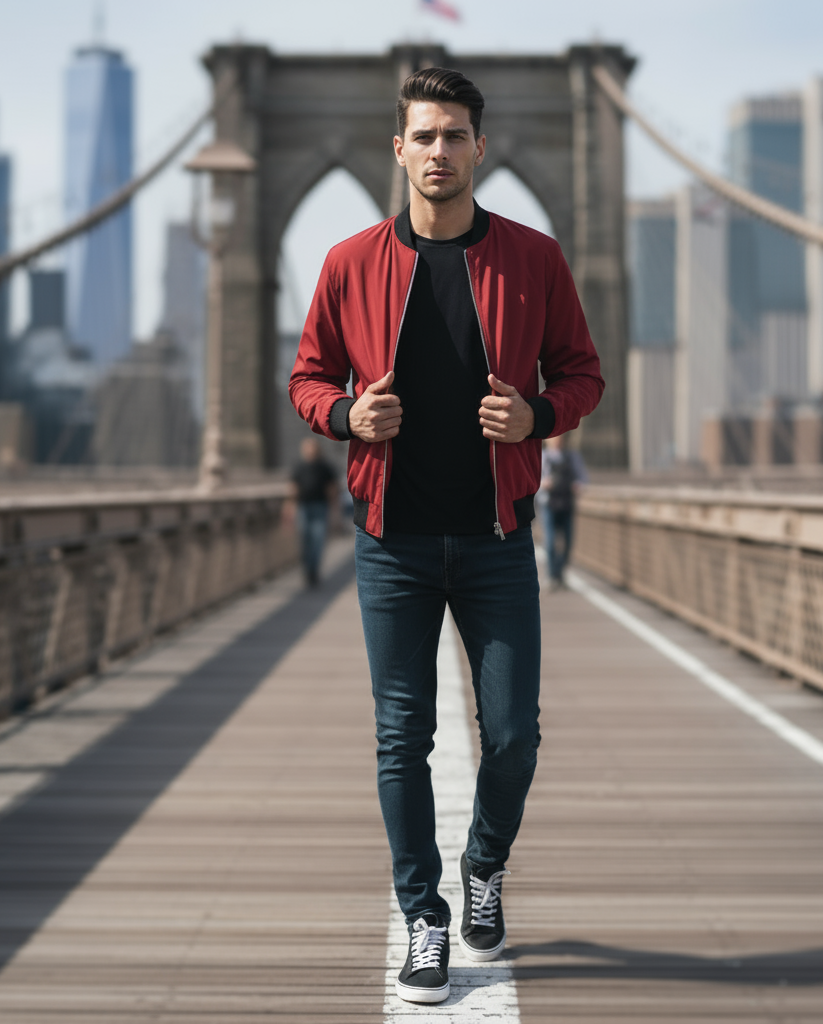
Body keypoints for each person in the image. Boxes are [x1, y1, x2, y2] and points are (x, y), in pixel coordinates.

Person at [289, 67, 604, 1004]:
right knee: (402, 736)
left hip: (499, 535)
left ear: (479, 147)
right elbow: (307, 379)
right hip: (392, 540)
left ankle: (484, 864)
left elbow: (583, 372)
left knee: (512, 738)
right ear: (400, 149)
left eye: (454, 135)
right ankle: (426, 920)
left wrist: (540, 415)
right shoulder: (349, 263)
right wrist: (348, 417)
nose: (438, 151)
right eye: (422, 136)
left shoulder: (534, 259)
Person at [538, 433, 588, 587]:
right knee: (551, 542)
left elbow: (583, 478)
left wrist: (578, 485)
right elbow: (533, 481)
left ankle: (560, 572)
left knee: (568, 542)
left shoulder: (572, 456)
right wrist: (543, 484)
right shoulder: (543, 457)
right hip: (549, 504)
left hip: (567, 503)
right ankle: (553, 575)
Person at [290, 438, 338, 587]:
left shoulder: (324, 467)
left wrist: (334, 509)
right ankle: (307, 571)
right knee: (305, 540)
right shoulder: (299, 467)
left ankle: (314, 571)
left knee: (318, 540)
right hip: (303, 507)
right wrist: (289, 507)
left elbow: (332, 489)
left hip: (320, 506)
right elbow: (293, 488)